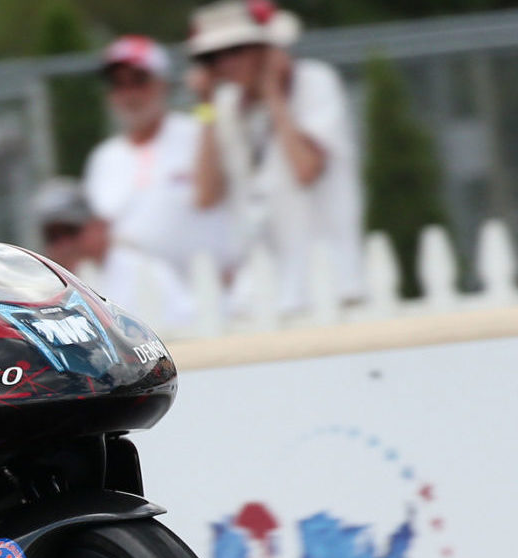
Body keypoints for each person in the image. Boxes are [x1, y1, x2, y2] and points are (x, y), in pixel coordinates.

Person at [189, 1, 363, 315]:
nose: (225, 64)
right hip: (260, 292)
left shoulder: (314, 82)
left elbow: (306, 169)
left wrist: (273, 94)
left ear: (266, 48)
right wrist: (206, 107)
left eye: (236, 50)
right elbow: (205, 195)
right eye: (212, 57)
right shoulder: (225, 106)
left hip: (327, 285)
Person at [84, 36, 233, 287]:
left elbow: (210, 196)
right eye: (118, 84)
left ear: (162, 84)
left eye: (138, 81)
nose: (128, 93)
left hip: (205, 295)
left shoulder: (197, 132)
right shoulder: (103, 158)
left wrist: (207, 105)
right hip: (138, 302)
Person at [34, 178, 195, 329]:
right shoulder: (43, 288)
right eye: (53, 235)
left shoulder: (148, 272)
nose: (64, 244)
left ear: (98, 225)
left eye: (70, 231)